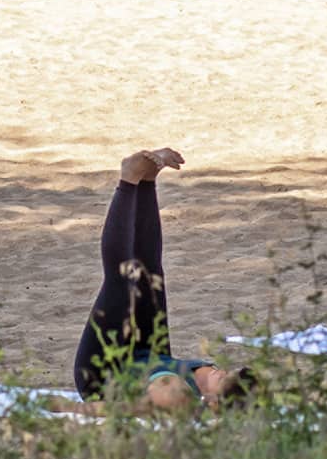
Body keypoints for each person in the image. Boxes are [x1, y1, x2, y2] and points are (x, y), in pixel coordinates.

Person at [70, 148, 252, 413]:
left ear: (214, 404)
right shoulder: (208, 377)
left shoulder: (179, 396)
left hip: (103, 372)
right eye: (228, 372)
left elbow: (125, 409)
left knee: (122, 279)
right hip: (148, 354)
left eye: (224, 380)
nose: (222, 372)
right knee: (150, 272)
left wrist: (64, 408)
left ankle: (129, 180)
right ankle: (146, 182)